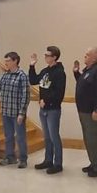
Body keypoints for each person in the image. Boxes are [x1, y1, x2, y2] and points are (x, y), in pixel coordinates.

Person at [74, 47, 97, 177]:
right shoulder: (88, 71)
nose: (85, 56)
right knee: (89, 139)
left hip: (95, 112)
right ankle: (94, 162)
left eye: (87, 54)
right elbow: (85, 85)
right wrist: (76, 74)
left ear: (95, 57)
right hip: (85, 111)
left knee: (96, 139)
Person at [29, 46, 67, 175]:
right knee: (46, 137)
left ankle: (58, 163)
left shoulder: (59, 72)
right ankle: (48, 160)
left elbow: (59, 92)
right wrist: (32, 66)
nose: (45, 57)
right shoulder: (46, 70)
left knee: (54, 136)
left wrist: (47, 100)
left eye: (47, 55)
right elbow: (33, 80)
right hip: (43, 108)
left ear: (54, 57)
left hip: (53, 109)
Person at [0, 52, 30, 168]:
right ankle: (10, 157)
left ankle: (23, 159)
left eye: (8, 60)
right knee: (8, 136)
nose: (6, 63)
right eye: (5, 60)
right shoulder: (6, 75)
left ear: (15, 61)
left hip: (17, 112)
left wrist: (22, 113)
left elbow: (25, 96)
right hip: (6, 111)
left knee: (20, 137)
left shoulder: (22, 76)